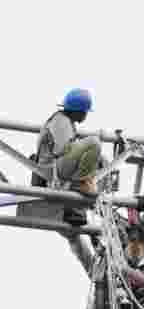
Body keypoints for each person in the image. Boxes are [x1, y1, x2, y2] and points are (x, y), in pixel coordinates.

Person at [34, 88, 105, 226]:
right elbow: (62, 150)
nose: (86, 115)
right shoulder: (61, 120)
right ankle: (79, 184)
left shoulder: (65, 121)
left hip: (57, 167)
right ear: (77, 110)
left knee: (97, 154)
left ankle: (80, 188)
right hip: (53, 169)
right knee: (94, 143)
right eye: (85, 111)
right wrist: (83, 146)